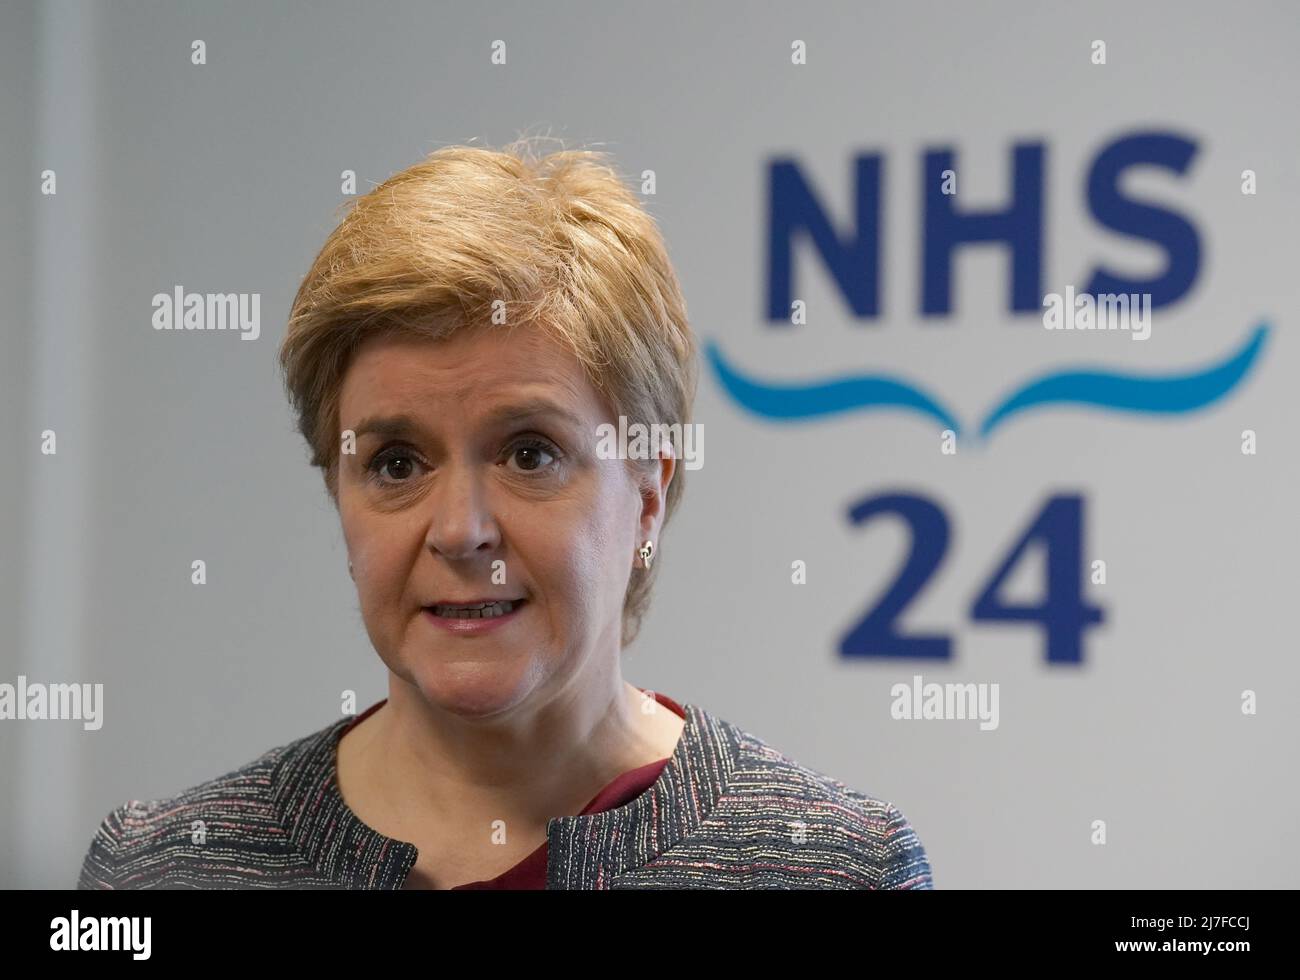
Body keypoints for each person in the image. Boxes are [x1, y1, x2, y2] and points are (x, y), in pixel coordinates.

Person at [78, 140, 933, 889]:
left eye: (529, 453)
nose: (459, 531)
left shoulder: (833, 868)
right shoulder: (161, 867)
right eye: (396, 463)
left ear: (647, 493)